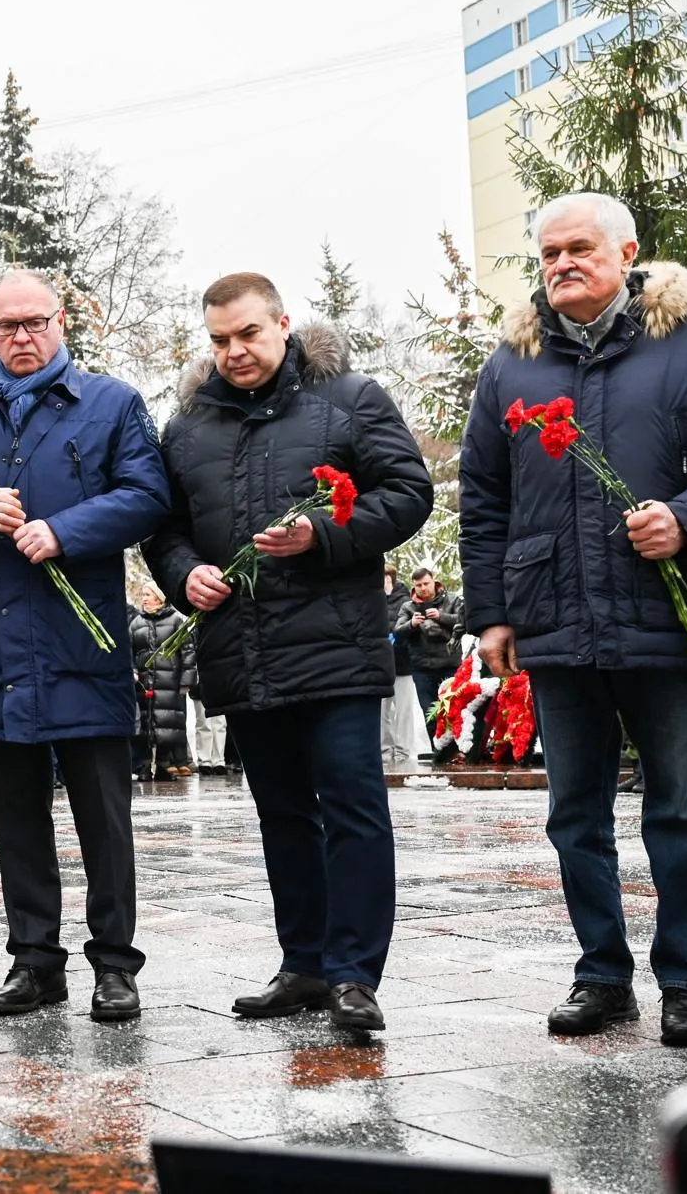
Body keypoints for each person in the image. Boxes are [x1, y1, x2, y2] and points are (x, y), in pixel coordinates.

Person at [460, 192, 687, 1048]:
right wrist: (491, 613)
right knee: (575, 815)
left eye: (580, 248)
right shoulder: (510, 367)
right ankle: (602, 974)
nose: (561, 263)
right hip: (553, 617)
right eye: (548, 252)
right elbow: (483, 498)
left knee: (682, 809)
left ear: (627, 252)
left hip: (663, 616)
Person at [145, 273, 432, 1034]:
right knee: (281, 815)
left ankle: (354, 975)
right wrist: (184, 575)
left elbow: (408, 491)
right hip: (241, 649)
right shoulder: (187, 428)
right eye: (218, 340)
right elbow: (164, 529)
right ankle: (303, 962)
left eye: (247, 334)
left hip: (336, 647)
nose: (233, 352)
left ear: (283, 324)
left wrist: (325, 534)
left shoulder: (350, 399)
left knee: (352, 808)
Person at [0, 269, 172, 1023]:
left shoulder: (112, 403)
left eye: (34, 322)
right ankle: (34, 960)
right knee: (15, 815)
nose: (21, 337)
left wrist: (65, 529)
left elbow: (149, 494)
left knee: (103, 817)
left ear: (62, 323)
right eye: (6, 326)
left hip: (81, 634)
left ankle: (115, 964)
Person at [129, 587, 193, 782]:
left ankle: (165, 766)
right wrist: (132, 671)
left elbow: (188, 652)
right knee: (145, 728)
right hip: (144, 685)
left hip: (169, 683)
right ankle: (144, 766)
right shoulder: (136, 623)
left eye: (148, 595)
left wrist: (186, 682)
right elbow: (128, 651)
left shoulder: (175, 621)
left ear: (159, 598)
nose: (144, 599)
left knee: (168, 727)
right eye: (144, 595)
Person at [395, 569, 462, 753]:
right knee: (429, 714)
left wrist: (442, 617)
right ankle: (438, 753)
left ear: (434, 582)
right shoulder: (408, 607)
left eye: (426, 583)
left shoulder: (452, 600)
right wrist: (411, 624)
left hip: (450, 666)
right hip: (421, 669)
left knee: (454, 712)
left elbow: (465, 622)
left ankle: (459, 753)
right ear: (414, 587)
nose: (423, 588)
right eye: (418, 585)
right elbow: (397, 632)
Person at [380, 569, 423, 766]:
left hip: (403, 664)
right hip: (380, 666)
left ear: (388, 578)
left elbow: (408, 629)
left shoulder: (406, 601)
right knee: (382, 713)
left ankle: (403, 751)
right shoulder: (374, 599)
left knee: (403, 711)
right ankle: (384, 750)